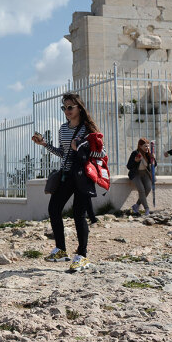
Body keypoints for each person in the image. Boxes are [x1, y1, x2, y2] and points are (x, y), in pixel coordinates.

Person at [31, 93, 105, 272]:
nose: (67, 111)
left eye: (70, 107)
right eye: (64, 108)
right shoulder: (63, 129)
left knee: (78, 214)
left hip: (82, 175)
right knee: (54, 208)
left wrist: (80, 148)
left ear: (79, 107)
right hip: (66, 174)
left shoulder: (88, 130)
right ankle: (61, 249)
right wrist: (44, 144)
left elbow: (100, 154)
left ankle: (82, 255)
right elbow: (63, 153)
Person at [126, 138, 156, 216]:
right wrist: (135, 161)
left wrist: (153, 158)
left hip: (145, 173)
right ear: (140, 146)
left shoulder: (148, 154)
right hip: (135, 173)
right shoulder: (135, 153)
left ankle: (136, 206)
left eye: (148, 146)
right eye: (145, 146)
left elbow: (154, 165)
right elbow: (129, 166)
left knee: (148, 188)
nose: (147, 148)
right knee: (141, 189)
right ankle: (146, 208)